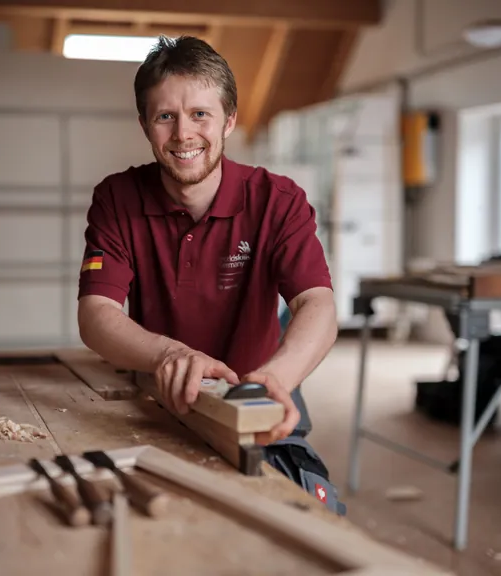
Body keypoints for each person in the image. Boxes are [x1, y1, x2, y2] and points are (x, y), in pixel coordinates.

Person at [77, 36, 341, 507]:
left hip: (257, 397)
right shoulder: (116, 198)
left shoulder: (278, 201)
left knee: (307, 504)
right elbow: (96, 313)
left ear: (229, 120)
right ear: (144, 124)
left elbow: (316, 302)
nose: (183, 134)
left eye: (200, 114)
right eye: (165, 117)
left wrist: (277, 378)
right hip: (159, 398)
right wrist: (170, 355)